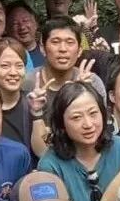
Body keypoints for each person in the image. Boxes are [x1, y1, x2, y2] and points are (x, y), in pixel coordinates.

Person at [27, 18, 107, 156]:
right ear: (42, 48)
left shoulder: (92, 82)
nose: (63, 49)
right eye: (55, 42)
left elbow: (101, 133)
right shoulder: (28, 83)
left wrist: (83, 92)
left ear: (80, 50)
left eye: (70, 42)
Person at [0, 38, 34, 147]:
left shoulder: (34, 104)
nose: (13, 72)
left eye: (19, 66)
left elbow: (45, 149)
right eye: (5, 66)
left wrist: (38, 115)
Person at [7, 0, 46, 68]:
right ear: (6, 29)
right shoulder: (5, 58)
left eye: (25, 20)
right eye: (15, 23)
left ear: (36, 23)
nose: (22, 27)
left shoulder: (49, 52)